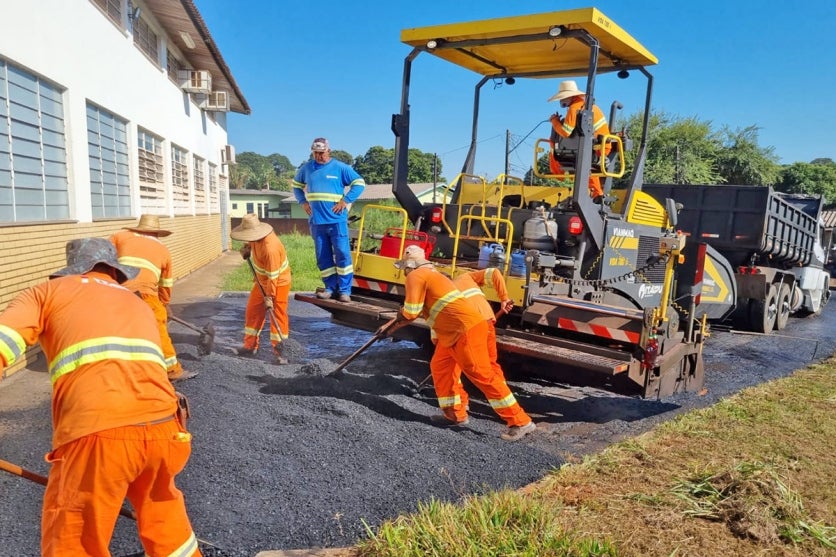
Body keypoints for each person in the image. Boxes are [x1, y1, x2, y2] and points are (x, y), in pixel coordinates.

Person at [0, 237, 200, 557]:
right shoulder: (137, 302)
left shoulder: (46, 292)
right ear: (116, 272)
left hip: (99, 432)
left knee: (74, 540)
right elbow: (163, 365)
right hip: (167, 428)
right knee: (164, 520)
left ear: (70, 270)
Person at [383, 245, 536, 441]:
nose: (404, 273)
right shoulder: (434, 277)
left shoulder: (417, 275)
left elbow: (411, 311)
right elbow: (436, 316)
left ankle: (520, 421)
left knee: (482, 374)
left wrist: (397, 318)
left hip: (466, 330)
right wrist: (392, 327)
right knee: (440, 368)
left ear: (409, 265)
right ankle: (455, 415)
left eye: (404, 268)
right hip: (454, 333)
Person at [110, 214, 197, 382]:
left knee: (120, 328)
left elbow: (102, 255)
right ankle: (172, 370)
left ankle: (120, 367)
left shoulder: (120, 237)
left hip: (116, 290)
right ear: (157, 234)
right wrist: (164, 304)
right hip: (145, 293)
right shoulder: (163, 250)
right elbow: (166, 284)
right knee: (159, 328)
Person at [292, 137, 365, 303]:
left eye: (322, 153)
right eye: (316, 153)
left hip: (336, 221)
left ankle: (345, 291)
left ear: (328, 151)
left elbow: (359, 183)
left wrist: (345, 200)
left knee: (342, 255)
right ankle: (330, 288)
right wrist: (302, 202)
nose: (319, 156)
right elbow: (296, 186)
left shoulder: (339, 167)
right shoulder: (307, 168)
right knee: (322, 257)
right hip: (317, 222)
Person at [230, 213, 292, 364]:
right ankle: (250, 346)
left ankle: (281, 353)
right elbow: (251, 243)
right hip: (261, 280)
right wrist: (246, 249)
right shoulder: (255, 238)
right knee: (253, 310)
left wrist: (269, 298)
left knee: (277, 315)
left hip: (278, 283)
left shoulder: (271, 249)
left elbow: (273, 278)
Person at [452, 267, 515, 412]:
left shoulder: (443, 293)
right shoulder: (465, 277)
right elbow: (494, 272)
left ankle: (461, 404)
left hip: (470, 328)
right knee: (491, 364)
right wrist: (504, 298)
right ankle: (506, 401)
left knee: (458, 366)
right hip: (487, 324)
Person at [547, 79, 612, 202]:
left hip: (595, 149)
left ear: (570, 97)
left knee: (554, 145)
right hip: (598, 147)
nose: (561, 101)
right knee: (584, 161)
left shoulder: (574, 108)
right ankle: (596, 193)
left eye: (562, 98)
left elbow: (566, 132)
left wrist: (554, 122)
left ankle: (557, 174)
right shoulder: (588, 107)